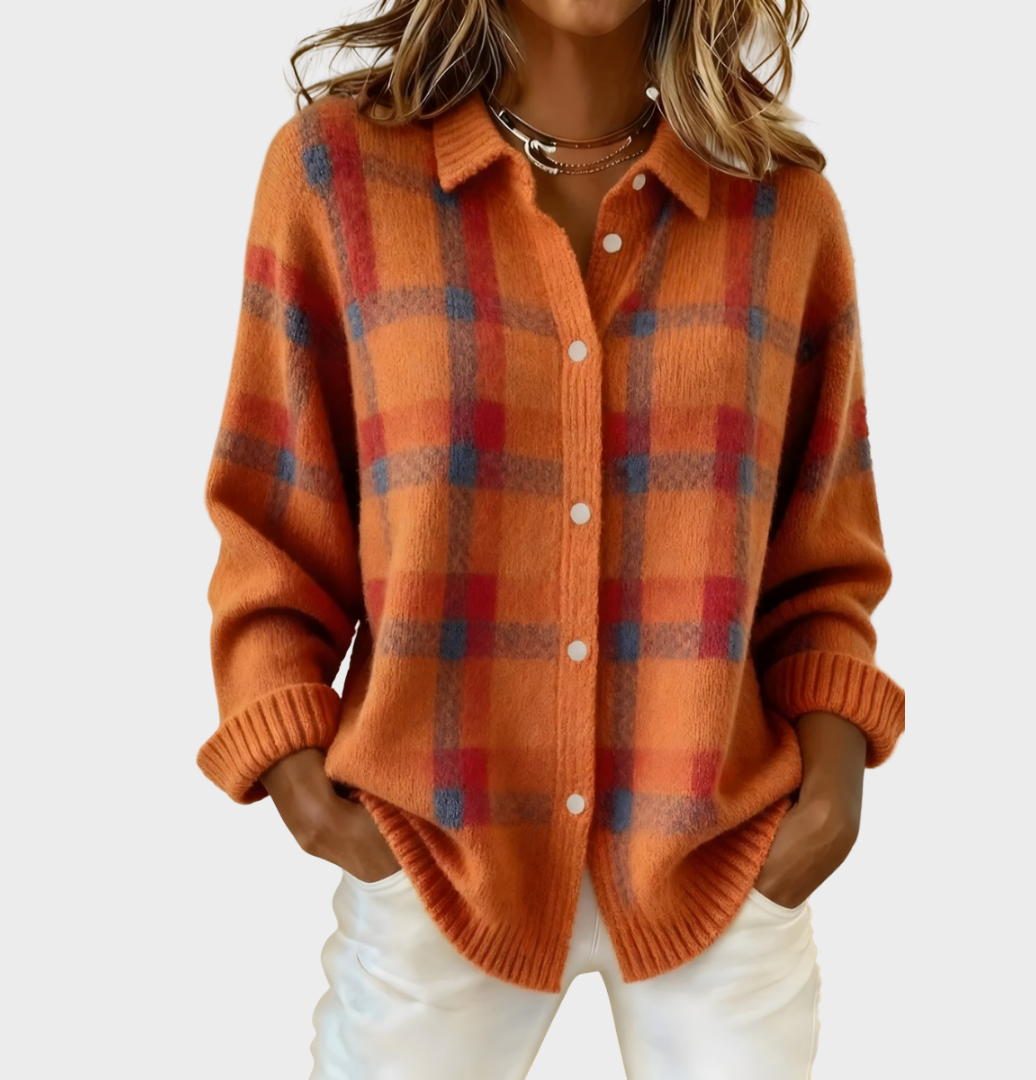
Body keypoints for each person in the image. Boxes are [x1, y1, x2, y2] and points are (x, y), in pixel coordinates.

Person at [195, 0, 906, 1075]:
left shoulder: (784, 211)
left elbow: (823, 555)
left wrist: (834, 786)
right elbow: (274, 511)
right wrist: (293, 767)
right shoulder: (335, 178)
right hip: (437, 852)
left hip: (720, 854)